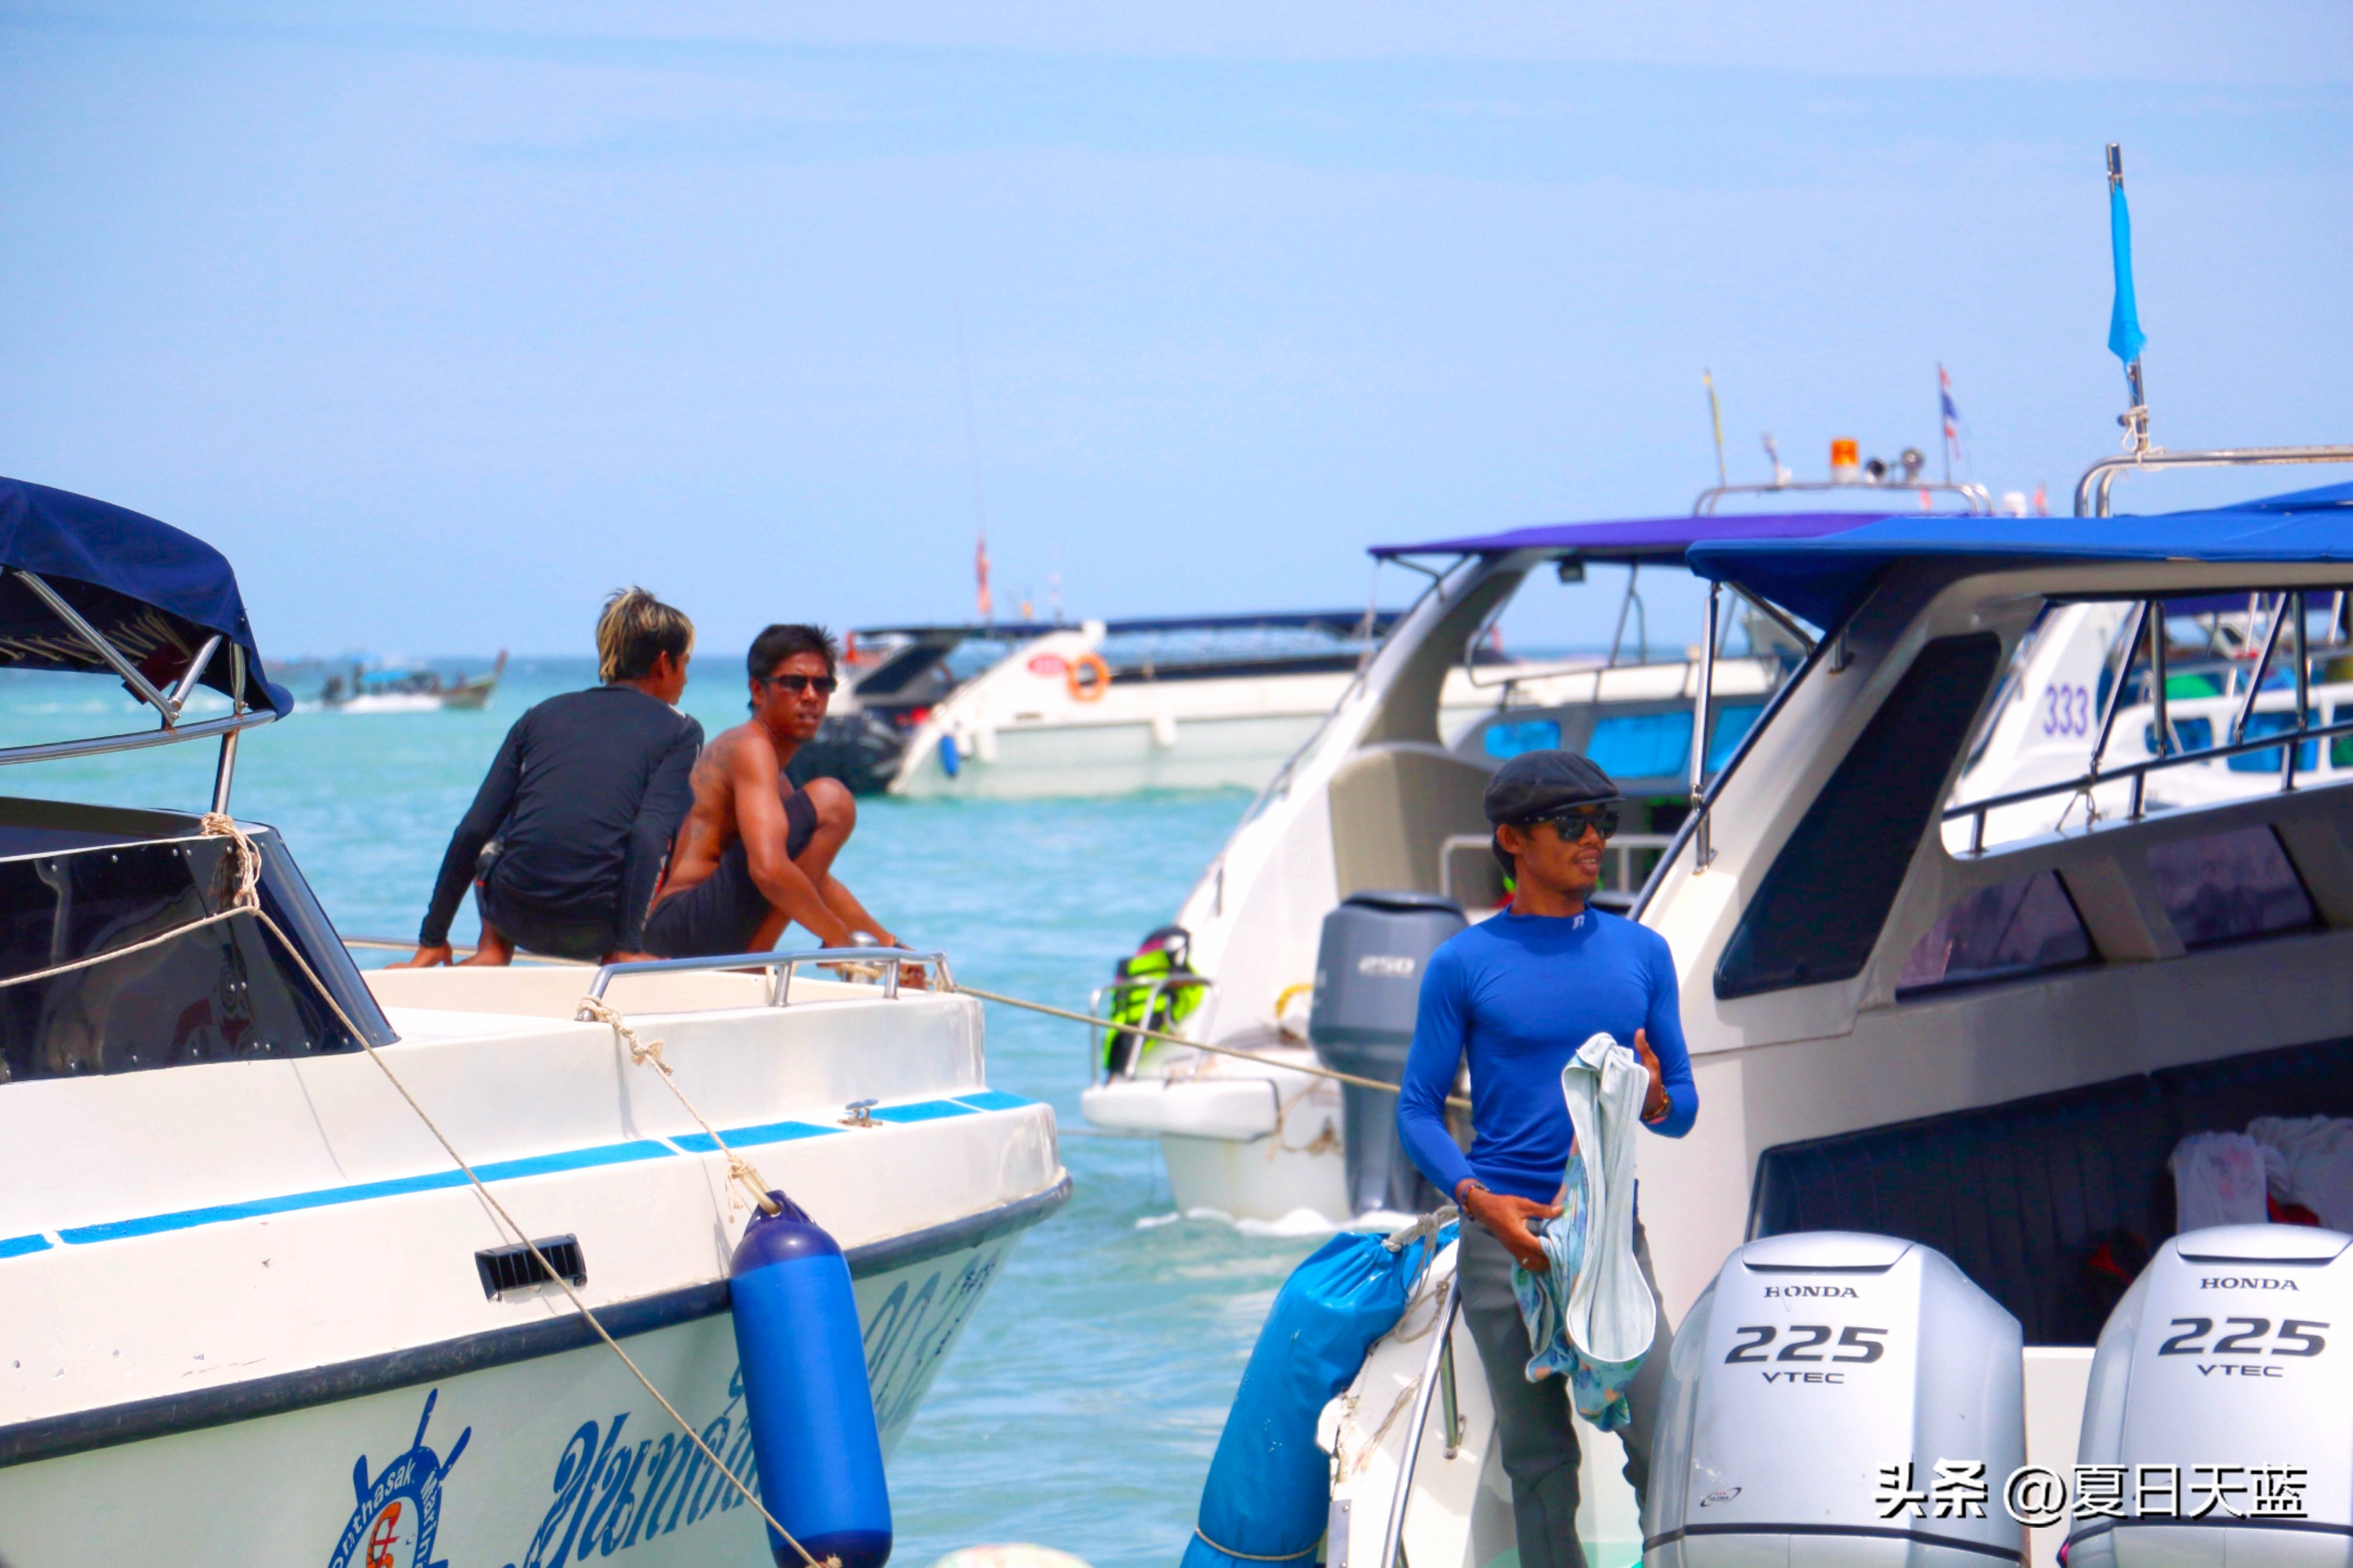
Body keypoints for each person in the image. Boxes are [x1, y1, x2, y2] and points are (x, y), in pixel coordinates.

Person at [1395, 749, 1698, 1568]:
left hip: (1610, 1244)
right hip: (1503, 1244)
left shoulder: (1642, 952)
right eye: (1572, 824)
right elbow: (1416, 1109)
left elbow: (1683, 1111)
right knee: (1539, 1464)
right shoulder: (1463, 962)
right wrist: (1476, 1199)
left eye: (1603, 821)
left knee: (1665, 1442)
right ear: (1511, 838)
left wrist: (1657, 1098)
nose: (1594, 838)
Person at [399, 589, 703, 968]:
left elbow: (473, 830)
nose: (686, 679)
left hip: (516, 918)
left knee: (510, 813)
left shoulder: (539, 715)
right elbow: (649, 835)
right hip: (600, 930)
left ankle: (493, 950)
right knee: (681, 814)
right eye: (685, 664)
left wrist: (433, 937)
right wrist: (627, 944)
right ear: (664, 663)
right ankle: (619, 953)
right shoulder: (681, 731)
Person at [640, 624, 913, 962]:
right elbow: (769, 871)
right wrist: (837, 937)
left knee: (811, 830)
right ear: (758, 690)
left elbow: (812, 880)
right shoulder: (750, 747)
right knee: (833, 800)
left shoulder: (773, 777)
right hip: (680, 926)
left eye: (823, 685)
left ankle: (751, 964)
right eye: (795, 683)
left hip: (680, 930)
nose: (812, 696)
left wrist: (888, 945)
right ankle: (751, 967)